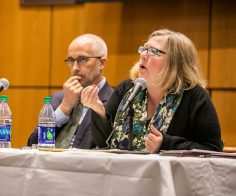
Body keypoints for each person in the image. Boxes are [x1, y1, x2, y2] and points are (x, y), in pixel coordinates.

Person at [82, 28, 223, 153]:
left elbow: (213, 150)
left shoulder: (194, 97)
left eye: (153, 51)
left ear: (175, 62)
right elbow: (103, 145)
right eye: (144, 49)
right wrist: (99, 112)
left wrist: (166, 144)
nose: (143, 55)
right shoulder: (127, 89)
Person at [27, 34, 113, 149]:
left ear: (102, 63)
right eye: (71, 60)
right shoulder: (58, 99)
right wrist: (65, 107)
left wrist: (100, 114)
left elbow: (110, 146)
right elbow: (32, 143)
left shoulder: (115, 100)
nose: (75, 68)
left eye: (83, 59)